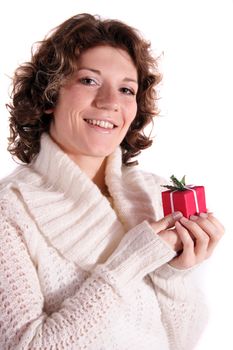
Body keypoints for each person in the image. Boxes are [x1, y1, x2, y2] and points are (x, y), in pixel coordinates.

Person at [0, 13, 224, 350]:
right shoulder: (10, 211)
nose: (110, 102)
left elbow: (180, 341)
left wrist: (172, 275)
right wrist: (131, 261)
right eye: (89, 81)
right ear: (49, 95)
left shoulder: (153, 194)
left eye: (126, 89)